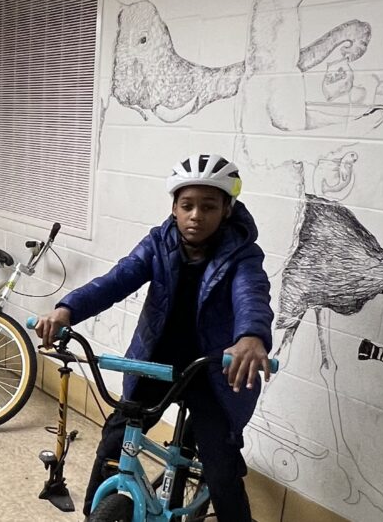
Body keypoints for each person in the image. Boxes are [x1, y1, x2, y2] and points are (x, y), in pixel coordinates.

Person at [33, 154, 274, 522]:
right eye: (187, 205)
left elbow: (251, 295)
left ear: (227, 210)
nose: (196, 215)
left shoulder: (243, 255)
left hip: (211, 372)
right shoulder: (158, 244)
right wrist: (67, 310)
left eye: (208, 206)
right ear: (174, 208)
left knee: (220, 466)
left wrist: (252, 336)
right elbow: (116, 280)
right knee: (114, 442)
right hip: (156, 362)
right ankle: (94, 514)